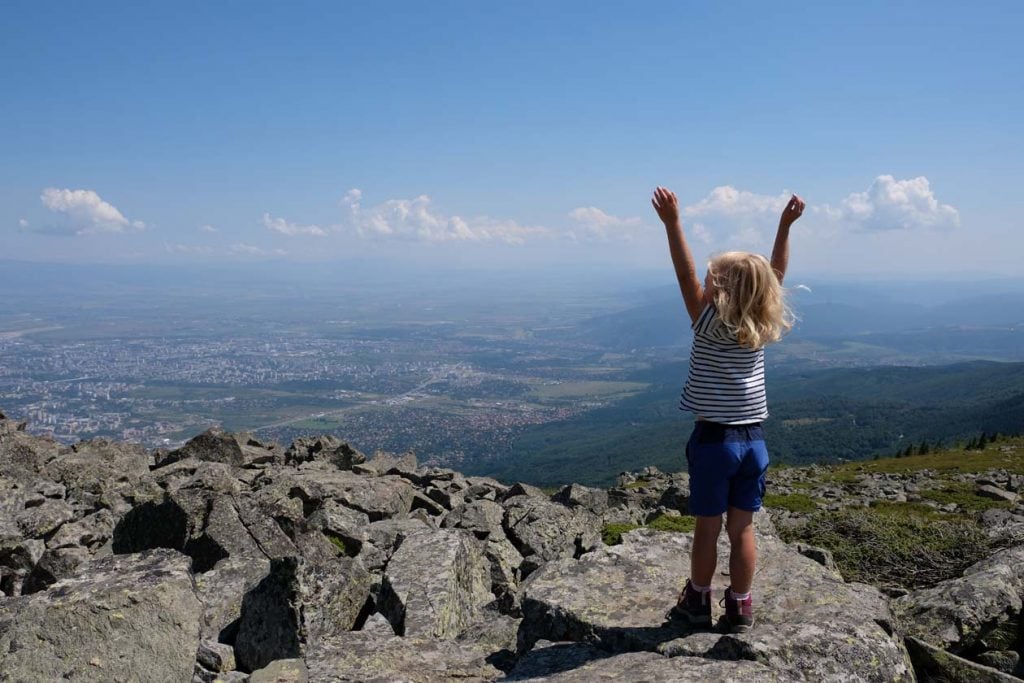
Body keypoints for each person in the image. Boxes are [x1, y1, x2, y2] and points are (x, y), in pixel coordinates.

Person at [650, 186, 804, 633]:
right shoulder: (761, 324)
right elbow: (773, 275)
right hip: (754, 442)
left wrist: (673, 223)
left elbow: (684, 274)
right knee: (742, 530)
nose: (706, 281)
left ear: (721, 289)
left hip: (714, 441)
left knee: (706, 529)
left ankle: (698, 600)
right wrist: (784, 228)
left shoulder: (707, 321)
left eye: (714, 277)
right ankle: (740, 606)